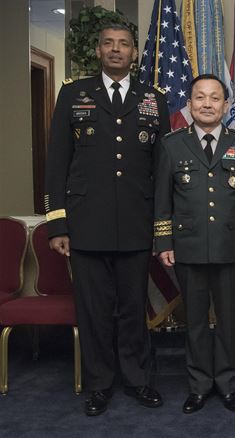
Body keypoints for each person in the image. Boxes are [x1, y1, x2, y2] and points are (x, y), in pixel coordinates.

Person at [44, 23, 170, 416]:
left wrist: (160, 228)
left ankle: (137, 379)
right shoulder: (72, 94)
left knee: (133, 308)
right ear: (98, 51)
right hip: (86, 224)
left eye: (124, 45)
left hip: (136, 222)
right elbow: (57, 163)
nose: (116, 50)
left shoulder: (153, 98)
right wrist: (58, 224)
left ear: (135, 53)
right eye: (108, 44)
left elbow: (162, 168)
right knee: (95, 310)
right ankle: (99, 384)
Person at [154, 74, 235, 414]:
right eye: (200, 97)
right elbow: (162, 200)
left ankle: (228, 385)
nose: (208, 104)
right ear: (189, 104)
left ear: (226, 105)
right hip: (188, 246)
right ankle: (199, 385)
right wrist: (164, 241)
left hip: (230, 246)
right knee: (195, 320)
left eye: (215, 98)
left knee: (229, 320)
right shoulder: (172, 144)